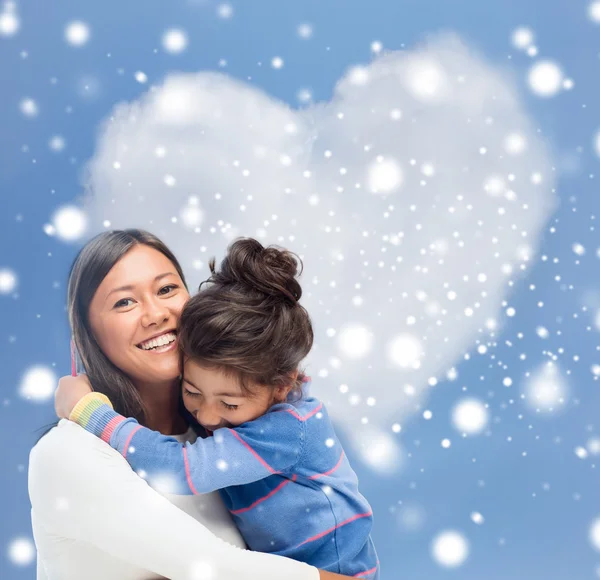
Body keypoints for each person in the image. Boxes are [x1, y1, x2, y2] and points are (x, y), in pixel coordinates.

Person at [28, 229, 354, 580]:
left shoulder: (224, 438)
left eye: (166, 289)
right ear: (86, 335)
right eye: (124, 302)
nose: (155, 314)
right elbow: (216, 570)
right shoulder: (68, 453)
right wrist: (89, 412)